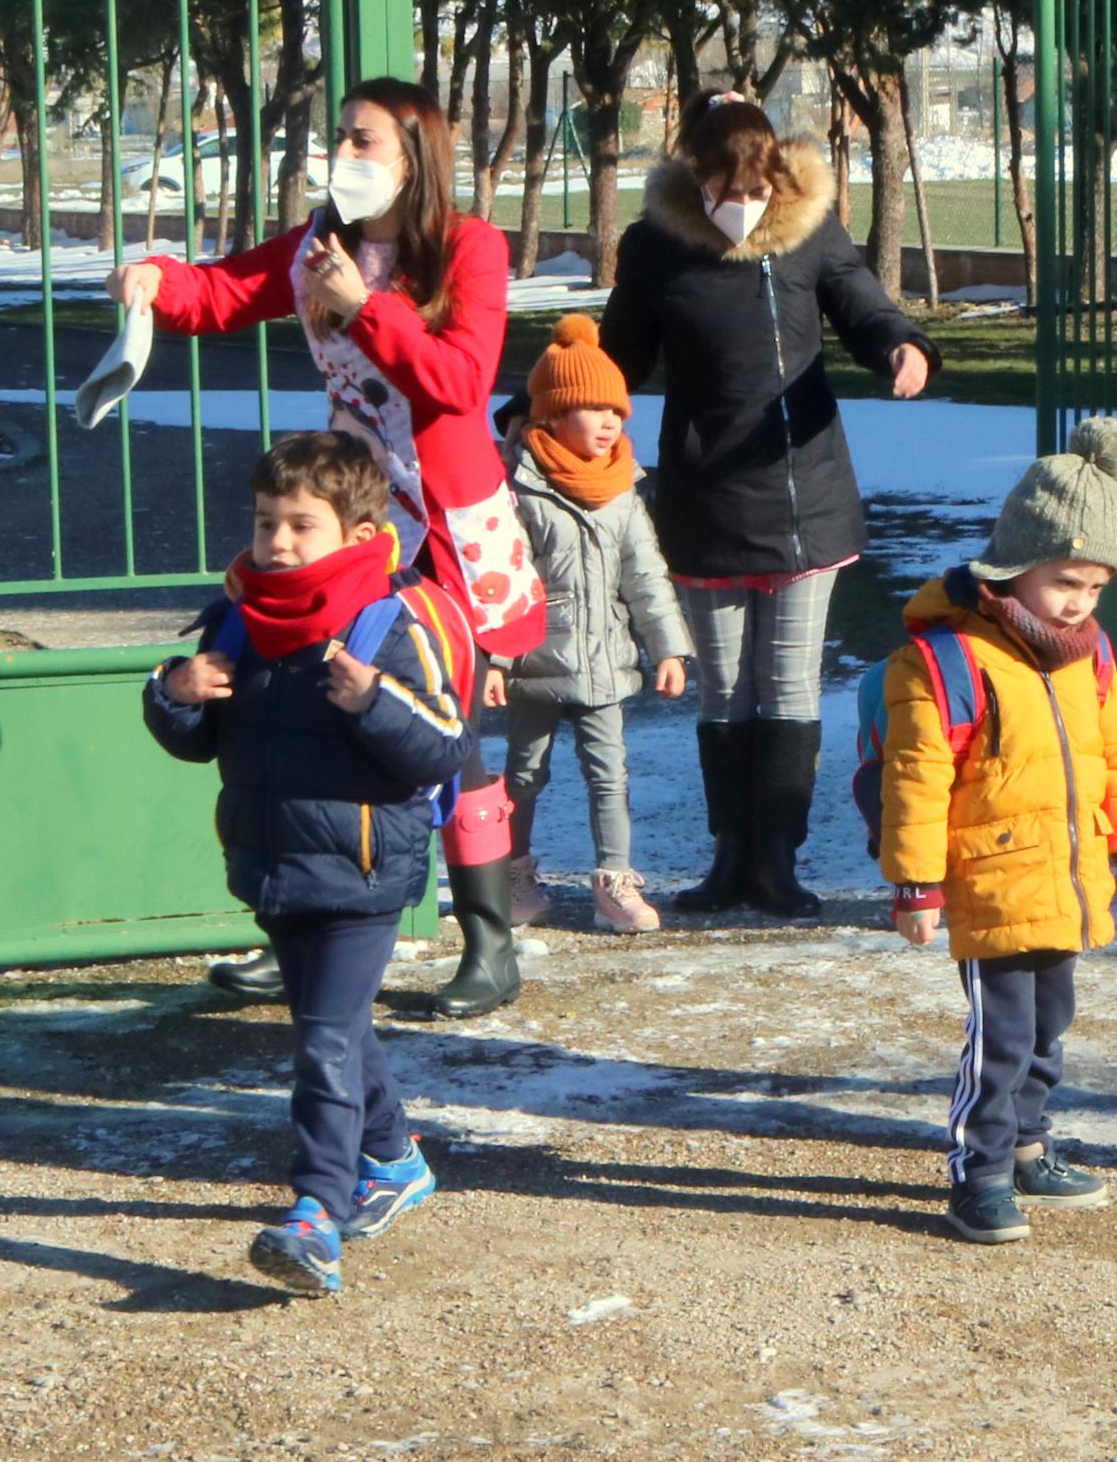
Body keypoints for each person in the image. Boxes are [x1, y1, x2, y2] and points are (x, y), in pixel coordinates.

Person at [114, 78, 545, 1020]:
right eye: (339, 137)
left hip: (446, 525)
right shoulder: (321, 245)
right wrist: (155, 276)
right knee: (312, 696)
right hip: (348, 519)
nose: (342, 154)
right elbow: (224, 290)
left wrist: (367, 308)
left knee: (444, 723)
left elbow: (461, 380)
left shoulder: (470, 247)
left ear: (414, 153)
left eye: (363, 139)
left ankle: (486, 939)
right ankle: (300, 921)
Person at [141, 433, 483, 1295]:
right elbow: (197, 738)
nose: (279, 542)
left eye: (302, 524)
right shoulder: (237, 615)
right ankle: (398, 1158)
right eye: (266, 522)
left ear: (357, 527)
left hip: (366, 872)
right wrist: (174, 694)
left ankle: (315, 1215)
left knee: (323, 1039)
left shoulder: (389, 617)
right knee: (338, 1026)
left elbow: (445, 746)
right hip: (272, 859)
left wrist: (376, 703)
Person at [595, 92, 937, 921]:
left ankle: (778, 859)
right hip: (704, 498)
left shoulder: (809, 230)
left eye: (755, 188)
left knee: (785, 685)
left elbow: (863, 306)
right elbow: (616, 355)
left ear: (777, 176)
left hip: (802, 496)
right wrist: (557, 400)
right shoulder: (656, 246)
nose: (740, 205)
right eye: (724, 186)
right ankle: (729, 856)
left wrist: (904, 346)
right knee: (724, 691)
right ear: (696, 175)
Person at [873, 419, 1117, 1244]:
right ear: (1016, 565)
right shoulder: (947, 658)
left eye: (1095, 586)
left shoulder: (1087, 654)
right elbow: (914, 776)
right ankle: (976, 1173)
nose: (1080, 601)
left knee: (1050, 1025)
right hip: (990, 881)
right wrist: (916, 885)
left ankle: (1028, 1147)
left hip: (1069, 876)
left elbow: (1116, 755)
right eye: (1065, 581)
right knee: (1002, 1038)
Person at [490, 316, 693, 933]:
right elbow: (498, 578)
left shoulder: (622, 490)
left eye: (617, 410)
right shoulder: (518, 488)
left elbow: (647, 577)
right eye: (592, 409)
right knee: (524, 770)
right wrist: (495, 661)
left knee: (611, 773)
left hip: (604, 662)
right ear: (550, 416)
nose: (610, 422)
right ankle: (511, 869)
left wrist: (668, 649)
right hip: (533, 664)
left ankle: (616, 879)